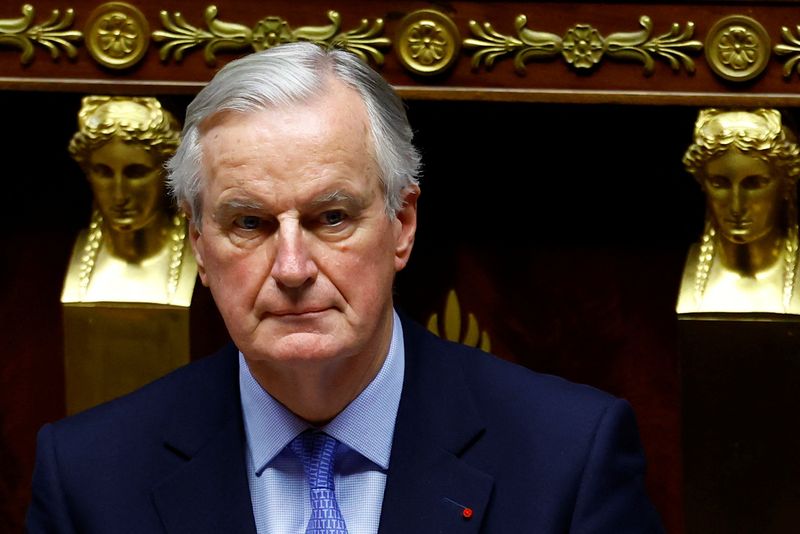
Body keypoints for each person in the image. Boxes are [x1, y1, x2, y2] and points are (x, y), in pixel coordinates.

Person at [28, 42, 663, 533]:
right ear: (197, 242)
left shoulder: (567, 458)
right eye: (249, 223)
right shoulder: (89, 477)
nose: (293, 267)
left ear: (402, 225)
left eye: (331, 218)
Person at [61, 96, 196, 306]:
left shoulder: (194, 252)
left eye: (136, 173)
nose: (119, 195)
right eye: (103, 172)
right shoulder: (76, 257)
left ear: (168, 173)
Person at [678, 108, 800, 314]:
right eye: (720, 184)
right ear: (702, 183)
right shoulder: (693, 274)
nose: (736, 206)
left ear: (786, 185)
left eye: (754, 184)